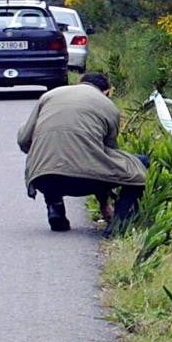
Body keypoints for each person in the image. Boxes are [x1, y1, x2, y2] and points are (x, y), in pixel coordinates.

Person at [17, 72, 147, 233]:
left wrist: (37, 153)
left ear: (80, 83)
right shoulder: (108, 106)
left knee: (50, 158)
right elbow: (107, 155)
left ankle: (55, 207)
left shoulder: (49, 96)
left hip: (42, 178)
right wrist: (104, 203)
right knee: (139, 167)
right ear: (107, 91)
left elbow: (23, 139)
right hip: (86, 181)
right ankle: (118, 226)